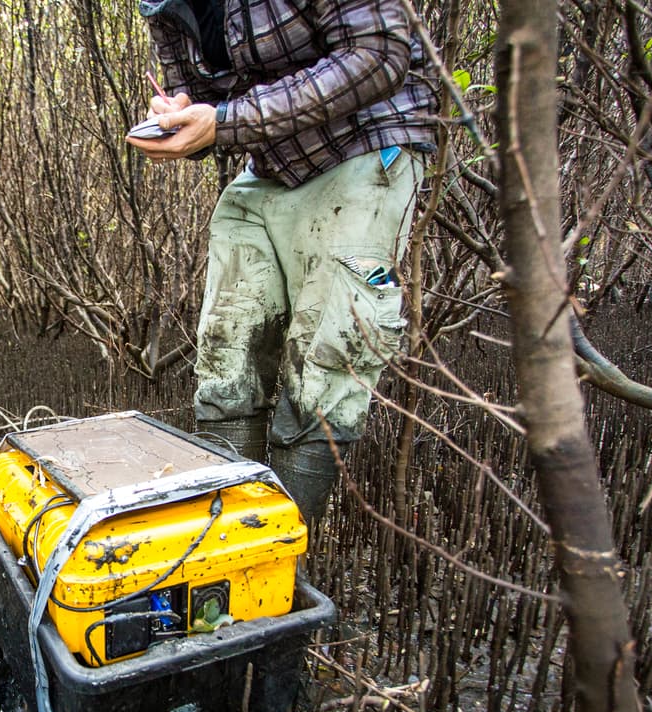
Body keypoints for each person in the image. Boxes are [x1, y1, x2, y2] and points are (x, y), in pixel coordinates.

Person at [127, 0, 436, 527]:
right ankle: (228, 550)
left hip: (364, 146)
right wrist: (183, 114)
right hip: (269, 163)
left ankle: (281, 562)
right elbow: (206, 106)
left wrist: (226, 121)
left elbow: (379, 52)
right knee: (227, 366)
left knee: (324, 369)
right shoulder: (162, 4)